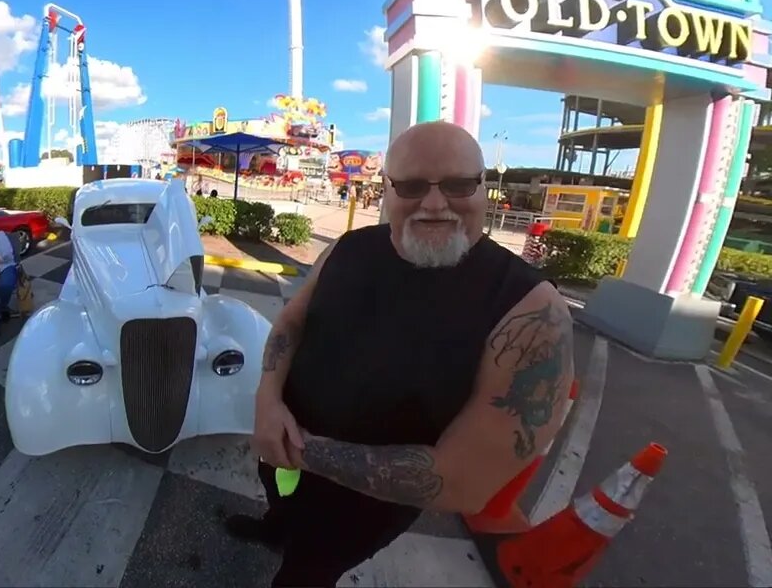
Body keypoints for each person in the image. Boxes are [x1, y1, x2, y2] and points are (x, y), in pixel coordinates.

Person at [227, 121, 574, 587]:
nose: (434, 203)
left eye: (457, 184)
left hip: (366, 506)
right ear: (386, 189)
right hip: (281, 448)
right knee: (282, 510)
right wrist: (268, 403)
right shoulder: (350, 248)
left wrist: (295, 447)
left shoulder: (530, 312)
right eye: (411, 186)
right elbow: (292, 321)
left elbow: (463, 484)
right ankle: (275, 528)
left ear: (484, 187)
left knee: (307, 572)